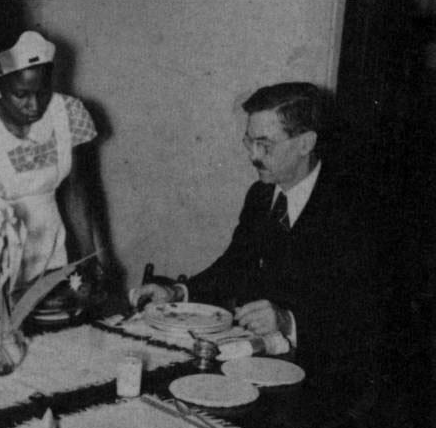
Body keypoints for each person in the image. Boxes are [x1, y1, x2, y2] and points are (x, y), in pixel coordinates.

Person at [131, 82, 387, 386]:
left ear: (305, 143)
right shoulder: (261, 196)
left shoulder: (355, 207)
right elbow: (234, 264)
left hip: (329, 373)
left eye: (265, 145)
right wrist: (177, 294)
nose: (253, 155)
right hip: (255, 363)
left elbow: (366, 312)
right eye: (248, 141)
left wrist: (288, 321)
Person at [0, 31, 103, 300]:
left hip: (53, 258)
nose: (34, 105)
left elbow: (76, 191)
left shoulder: (69, 113)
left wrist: (89, 260)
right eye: (21, 95)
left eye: (42, 92)